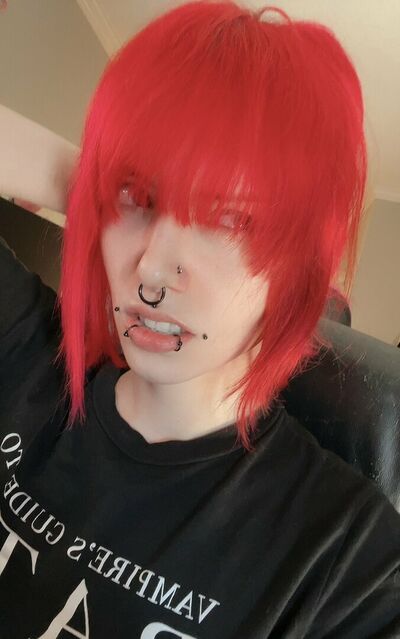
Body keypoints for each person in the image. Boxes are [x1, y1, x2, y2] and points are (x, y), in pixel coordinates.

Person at [0, 1, 399, 637]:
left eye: (230, 219)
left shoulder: (347, 560)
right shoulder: (23, 351)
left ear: (297, 269)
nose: (152, 271)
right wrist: (98, 183)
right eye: (138, 198)